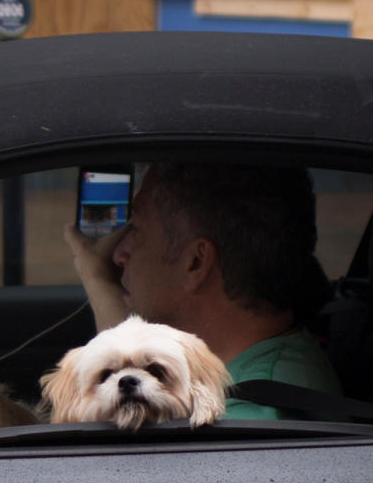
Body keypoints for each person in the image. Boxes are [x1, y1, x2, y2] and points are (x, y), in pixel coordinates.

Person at [64, 162, 341, 419]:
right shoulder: (265, 369)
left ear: (195, 262)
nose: (119, 254)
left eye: (136, 229)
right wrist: (98, 279)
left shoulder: (249, 419)